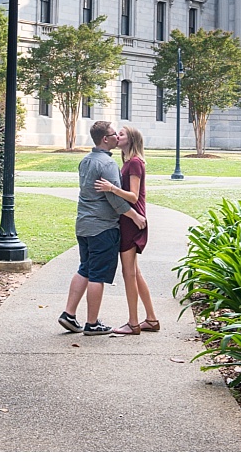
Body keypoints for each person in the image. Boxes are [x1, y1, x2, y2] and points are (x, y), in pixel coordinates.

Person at [58, 121, 146, 336]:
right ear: (105, 139)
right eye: (113, 134)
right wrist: (134, 215)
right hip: (102, 227)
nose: (117, 136)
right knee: (97, 275)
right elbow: (114, 198)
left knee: (85, 268)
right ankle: (92, 323)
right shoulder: (107, 165)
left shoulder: (86, 161)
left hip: (84, 225)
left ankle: (68, 314)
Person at [95, 125, 159, 335]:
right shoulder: (128, 163)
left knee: (128, 273)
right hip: (129, 220)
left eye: (120, 134)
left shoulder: (134, 163)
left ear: (130, 140)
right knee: (135, 272)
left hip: (132, 221)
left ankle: (133, 323)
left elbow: (133, 196)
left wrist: (111, 188)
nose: (116, 136)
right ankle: (151, 319)